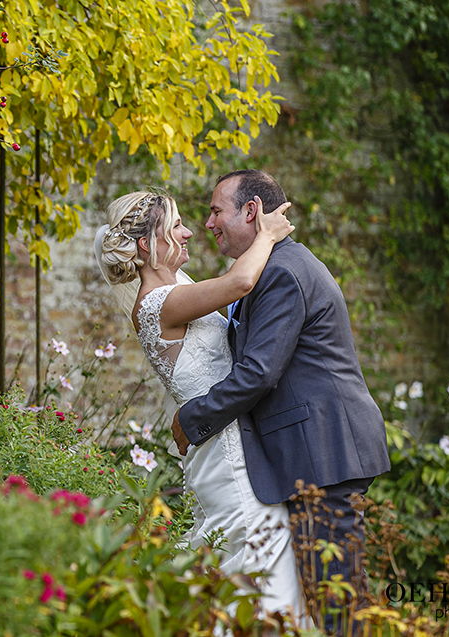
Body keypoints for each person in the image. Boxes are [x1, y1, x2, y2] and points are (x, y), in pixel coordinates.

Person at [170, 169, 391, 636]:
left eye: (216, 211)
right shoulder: (271, 267)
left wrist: (193, 419)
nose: (208, 223)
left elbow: (259, 372)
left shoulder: (283, 273)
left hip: (325, 450)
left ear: (251, 211)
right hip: (315, 451)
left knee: (335, 599)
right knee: (330, 593)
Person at [94, 189, 305, 624]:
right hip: (225, 452)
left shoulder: (181, 288)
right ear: (144, 246)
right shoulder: (159, 303)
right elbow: (239, 283)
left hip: (228, 438)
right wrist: (266, 234)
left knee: (255, 563)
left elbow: (239, 292)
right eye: (175, 226)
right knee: (255, 560)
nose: (189, 231)